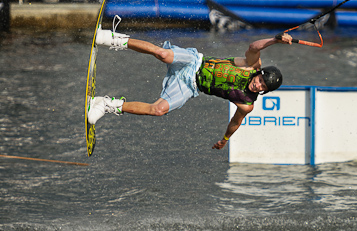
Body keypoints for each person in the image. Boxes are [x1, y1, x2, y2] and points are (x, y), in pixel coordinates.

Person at [87, 20, 290, 150]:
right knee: (163, 54)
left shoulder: (247, 104)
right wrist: (275, 39)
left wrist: (225, 139)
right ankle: (112, 38)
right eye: (260, 80)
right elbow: (253, 47)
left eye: (263, 87)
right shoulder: (251, 66)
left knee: (158, 110)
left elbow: (236, 122)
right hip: (194, 61)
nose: (258, 85)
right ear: (260, 74)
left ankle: (105, 104)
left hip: (191, 86)